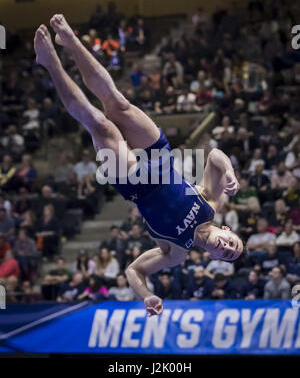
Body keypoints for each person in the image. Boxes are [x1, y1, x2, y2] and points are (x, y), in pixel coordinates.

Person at [34, 16, 244, 316]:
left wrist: (146, 295)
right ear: (227, 230)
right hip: (160, 162)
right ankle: (70, 42)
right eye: (231, 244)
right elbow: (215, 156)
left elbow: (134, 270)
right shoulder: (211, 202)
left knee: (99, 124)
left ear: (213, 257)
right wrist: (229, 173)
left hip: (134, 185)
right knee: (117, 103)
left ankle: (51, 62)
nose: (225, 247)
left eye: (226, 254)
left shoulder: (176, 254)